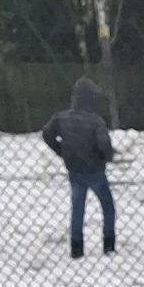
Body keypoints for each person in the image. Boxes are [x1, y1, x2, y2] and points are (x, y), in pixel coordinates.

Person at [41, 76, 115, 258]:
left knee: (77, 208)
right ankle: (109, 244)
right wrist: (107, 157)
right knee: (108, 206)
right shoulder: (96, 121)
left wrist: (61, 150)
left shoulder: (62, 117)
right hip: (95, 170)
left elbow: (47, 133)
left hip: (74, 169)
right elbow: (104, 144)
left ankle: (76, 247)